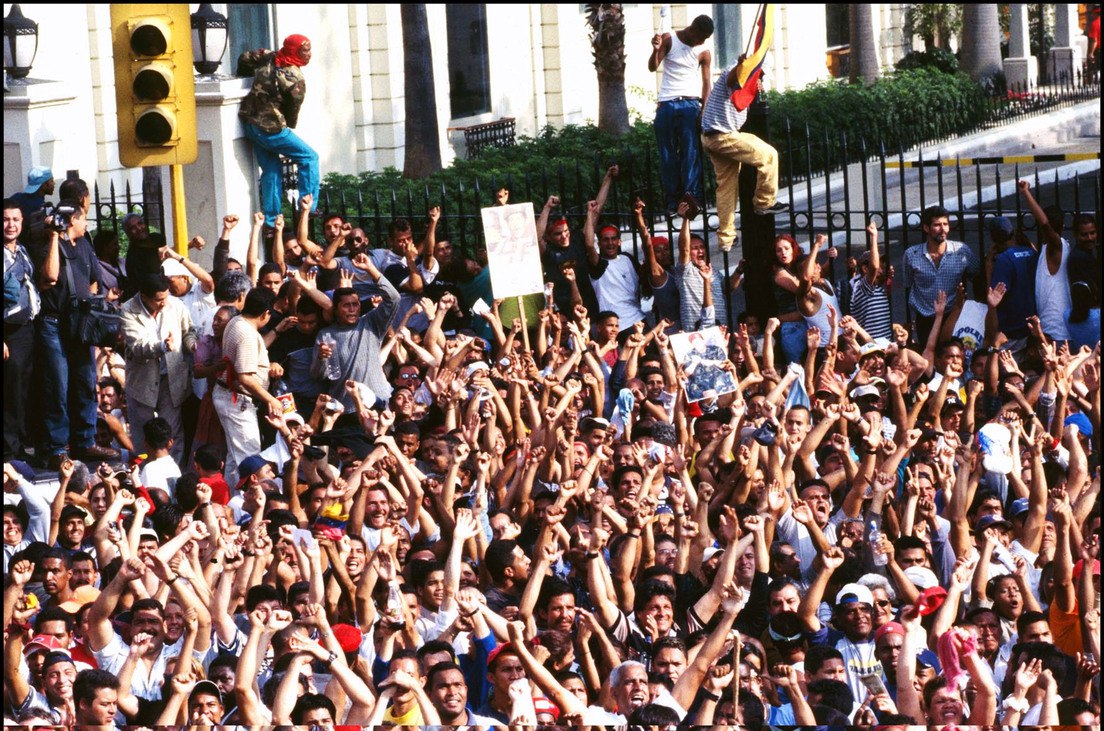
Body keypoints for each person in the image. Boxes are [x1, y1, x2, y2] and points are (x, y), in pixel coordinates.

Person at [34, 200, 118, 465]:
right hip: (53, 323)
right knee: (57, 385)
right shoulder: (48, 243)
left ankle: (85, 441)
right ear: (73, 221)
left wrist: (88, 309)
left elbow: (94, 280)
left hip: (80, 323)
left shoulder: (84, 245)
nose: (86, 225)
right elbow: (49, 277)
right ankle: (58, 446)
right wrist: (53, 238)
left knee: (84, 381)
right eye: (83, 220)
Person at [699, 57, 786, 257]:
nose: (761, 81)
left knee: (726, 187)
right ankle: (764, 203)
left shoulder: (747, 83)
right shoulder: (737, 74)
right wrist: (741, 67)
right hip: (722, 136)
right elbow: (732, 79)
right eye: (761, 76)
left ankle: (726, 238)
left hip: (715, 135)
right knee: (769, 155)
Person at [237, 34, 319, 227]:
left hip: (250, 124)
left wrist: (243, 76)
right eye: (304, 51)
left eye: (309, 50)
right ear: (294, 51)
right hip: (271, 129)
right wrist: (288, 123)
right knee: (309, 157)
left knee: (272, 170)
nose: (309, 54)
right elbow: (294, 107)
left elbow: (245, 58)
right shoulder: (294, 77)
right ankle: (308, 207)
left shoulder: (269, 56)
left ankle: (273, 221)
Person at [120, 274, 197, 464]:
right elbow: (137, 346)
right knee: (142, 435)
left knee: (173, 433)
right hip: (142, 383)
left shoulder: (176, 305)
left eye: (166, 297)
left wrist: (193, 346)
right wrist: (161, 346)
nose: (164, 303)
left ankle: (173, 476)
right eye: (158, 300)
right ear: (144, 297)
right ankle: (145, 476)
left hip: (172, 380)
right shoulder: (128, 310)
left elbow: (188, 332)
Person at [214, 287, 283, 486]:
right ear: (266, 313)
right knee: (248, 457)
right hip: (235, 398)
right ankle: (246, 509)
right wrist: (271, 399)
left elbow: (253, 351)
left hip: (230, 396)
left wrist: (278, 330)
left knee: (235, 459)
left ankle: (232, 504)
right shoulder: (245, 332)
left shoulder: (237, 321)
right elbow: (245, 377)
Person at [648, 14, 713, 215]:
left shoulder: (703, 51)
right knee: (667, 154)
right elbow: (652, 67)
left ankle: (691, 197)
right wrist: (656, 50)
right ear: (693, 30)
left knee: (691, 153)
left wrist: (704, 110)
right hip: (667, 102)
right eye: (702, 37)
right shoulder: (669, 39)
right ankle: (672, 201)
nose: (703, 42)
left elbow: (706, 83)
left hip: (690, 103)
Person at [900, 205, 980, 347]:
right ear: (926, 228)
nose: (943, 229)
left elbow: (978, 276)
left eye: (945, 224)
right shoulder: (911, 255)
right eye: (937, 225)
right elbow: (908, 283)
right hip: (925, 319)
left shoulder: (961, 251)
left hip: (952, 316)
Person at [4, 199, 40, 460]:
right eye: (5, 219)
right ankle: (9, 450)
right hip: (8, 331)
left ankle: (19, 445)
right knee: (10, 390)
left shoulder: (23, 251)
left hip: (27, 329)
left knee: (24, 388)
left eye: (15, 219)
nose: (10, 225)